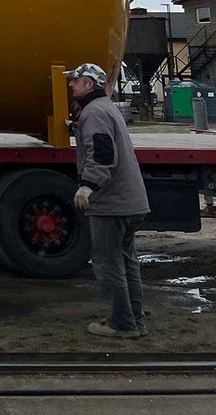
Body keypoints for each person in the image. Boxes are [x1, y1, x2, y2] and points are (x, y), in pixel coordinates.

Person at [66, 62, 150, 340]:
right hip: (129, 201)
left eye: (75, 80)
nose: (70, 84)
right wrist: (75, 126)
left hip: (111, 203)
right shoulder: (103, 108)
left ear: (89, 84)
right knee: (126, 261)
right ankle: (134, 319)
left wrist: (87, 186)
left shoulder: (94, 112)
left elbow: (102, 153)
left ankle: (121, 324)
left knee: (108, 264)